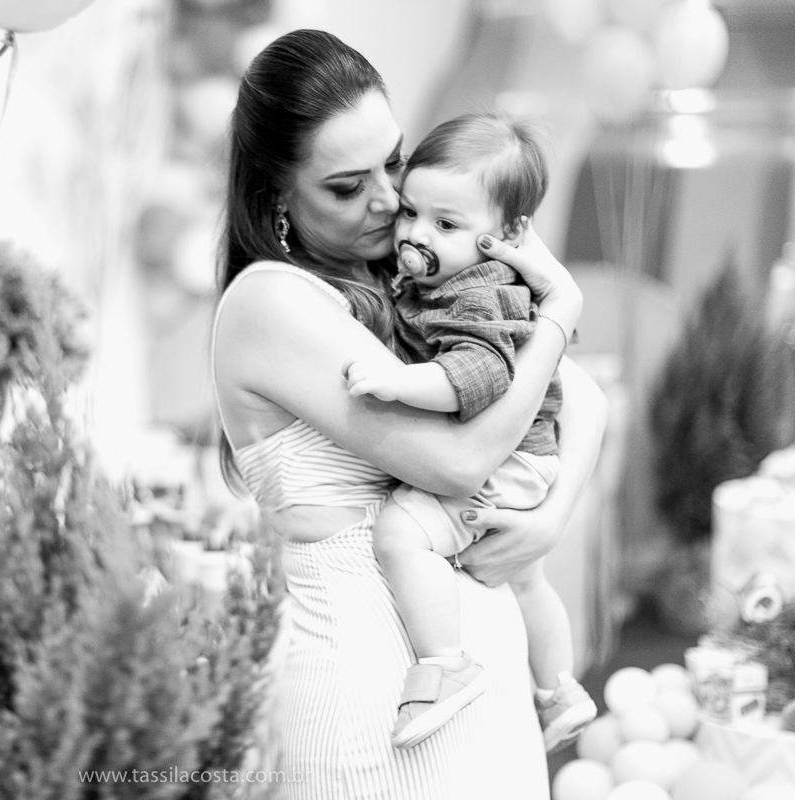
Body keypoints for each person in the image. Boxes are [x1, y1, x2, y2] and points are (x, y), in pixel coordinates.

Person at [212, 30, 607, 798]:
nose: (390, 201)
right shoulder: (271, 301)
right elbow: (456, 464)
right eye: (346, 186)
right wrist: (560, 310)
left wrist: (550, 520)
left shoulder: (409, 273)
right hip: (369, 696)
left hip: (483, 683)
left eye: (392, 163)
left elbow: (581, 398)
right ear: (276, 193)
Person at [342, 112, 597, 752]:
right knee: (528, 579)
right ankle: (560, 691)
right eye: (410, 213)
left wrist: (400, 381)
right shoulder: (443, 276)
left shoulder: (479, 292)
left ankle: (445, 663)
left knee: (402, 532)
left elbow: (476, 372)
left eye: (447, 224)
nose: (416, 234)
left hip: (509, 463)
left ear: (506, 236)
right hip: (530, 459)